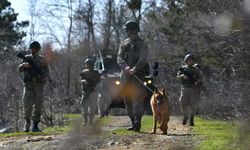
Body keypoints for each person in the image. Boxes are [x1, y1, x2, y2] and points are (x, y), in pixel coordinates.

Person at [117, 20, 148, 132]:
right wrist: (126, 67)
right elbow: (119, 58)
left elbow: (143, 59)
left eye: (129, 30)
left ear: (133, 30)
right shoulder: (124, 43)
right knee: (127, 100)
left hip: (138, 75)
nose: (128, 32)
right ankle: (132, 122)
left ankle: (137, 121)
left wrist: (135, 68)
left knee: (137, 98)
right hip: (125, 76)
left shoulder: (142, 44)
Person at [17, 41, 50, 132]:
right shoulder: (26, 58)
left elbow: (47, 72)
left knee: (38, 106)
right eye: (32, 48)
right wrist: (23, 65)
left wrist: (45, 78)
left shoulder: (42, 60)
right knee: (27, 105)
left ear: (38, 49)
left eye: (35, 48)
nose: (33, 50)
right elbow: (19, 69)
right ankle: (27, 123)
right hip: (28, 85)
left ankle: (35, 126)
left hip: (39, 85)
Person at [177, 54, 202, 126]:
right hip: (184, 88)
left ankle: (191, 119)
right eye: (189, 60)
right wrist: (182, 76)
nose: (190, 61)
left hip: (193, 88)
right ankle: (185, 115)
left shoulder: (195, 69)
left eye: (191, 60)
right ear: (186, 61)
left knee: (192, 104)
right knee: (182, 102)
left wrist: (197, 82)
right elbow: (177, 77)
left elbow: (200, 78)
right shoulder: (182, 68)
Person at [80, 58, 101, 125]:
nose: (88, 65)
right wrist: (84, 81)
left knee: (92, 106)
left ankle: (90, 120)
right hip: (86, 91)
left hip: (93, 91)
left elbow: (99, 81)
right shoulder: (84, 72)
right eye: (87, 64)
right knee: (84, 105)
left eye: (89, 64)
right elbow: (81, 80)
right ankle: (85, 119)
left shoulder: (96, 72)